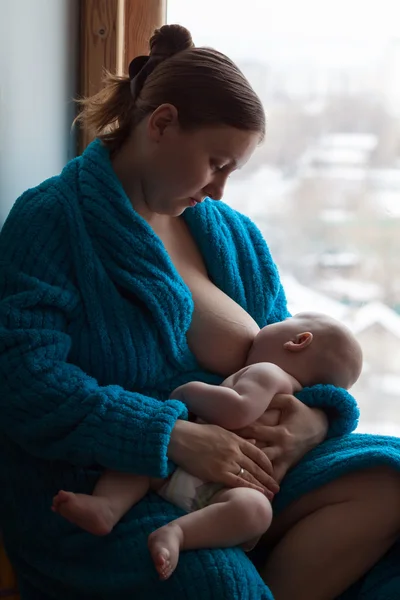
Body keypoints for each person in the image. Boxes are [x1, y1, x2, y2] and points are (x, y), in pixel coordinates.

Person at [1, 22, 400, 600]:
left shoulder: (235, 238)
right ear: (161, 124)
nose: (219, 191)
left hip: (242, 479)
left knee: (390, 480)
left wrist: (312, 424)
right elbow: (23, 381)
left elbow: (293, 359)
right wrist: (173, 435)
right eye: (216, 162)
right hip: (109, 489)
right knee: (216, 584)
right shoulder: (53, 222)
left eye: (234, 169)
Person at [51, 312, 363, 582]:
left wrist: (188, 392)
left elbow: (238, 410)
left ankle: (113, 507)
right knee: (253, 511)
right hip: (218, 488)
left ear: (298, 340)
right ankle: (171, 529)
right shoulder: (294, 395)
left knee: (140, 461)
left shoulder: (267, 372)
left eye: (283, 321)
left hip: (187, 468)